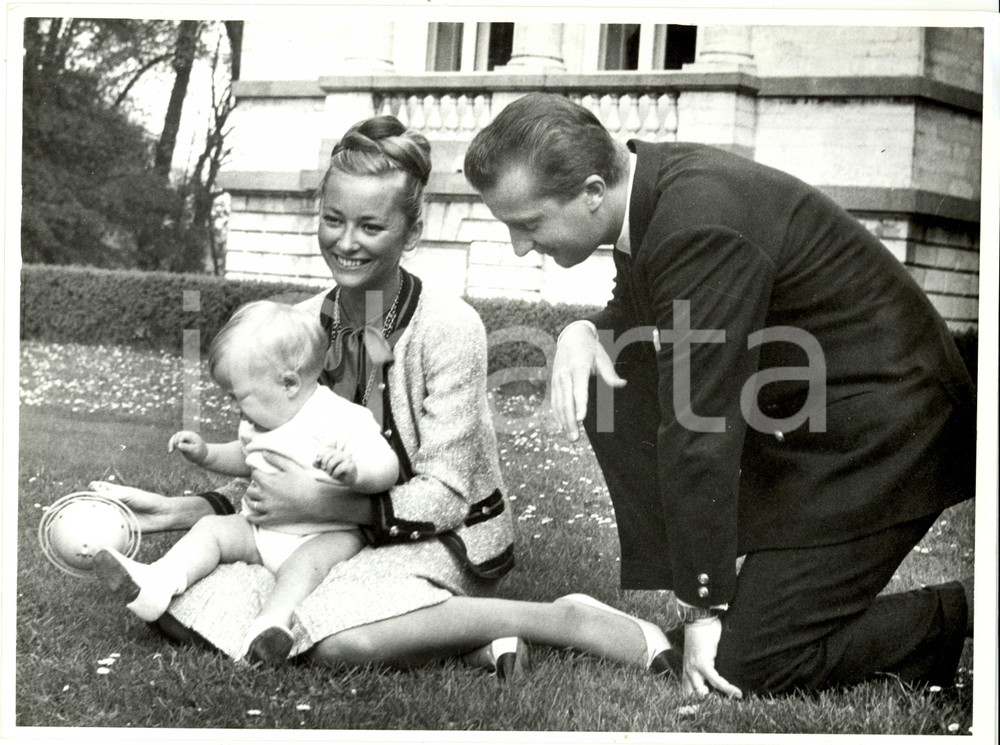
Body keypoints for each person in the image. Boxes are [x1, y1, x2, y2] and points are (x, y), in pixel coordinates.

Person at [87, 114, 680, 680]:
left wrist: (327, 509)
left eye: (371, 227)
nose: (346, 243)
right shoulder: (296, 327)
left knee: (339, 638)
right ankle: (467, 639)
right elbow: (275, 464)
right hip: (323, 540)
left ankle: (561, 619)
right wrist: (180, 511)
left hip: (444, 537)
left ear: (412, 231)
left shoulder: (450, 327)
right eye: (332, 220)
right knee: (190, 599)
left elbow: (446, 496)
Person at [463, 92, 976, 697]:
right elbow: (644, 308)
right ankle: (744, 585)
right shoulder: (654, 190)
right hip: (814, 417)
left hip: (884, 434)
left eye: (528, 224)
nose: (521, 246)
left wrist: (700, 607)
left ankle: (963, 613)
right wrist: (585, 330)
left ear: (593, 191)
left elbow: (699, 422)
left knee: (740, 667)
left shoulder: (696, 222)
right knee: (614, 366)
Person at [94, 300, 399, 664]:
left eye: (239, 399)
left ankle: (269, 628)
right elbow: (247, 455)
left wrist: (355, 471)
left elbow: (387, 467)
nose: (236, 410)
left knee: (305, 567)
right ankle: (158, 582)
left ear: (289, 383)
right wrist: (207, 454)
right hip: (260, 530)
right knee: (212, 529)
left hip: (324, 533)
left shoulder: (341, 418)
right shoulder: (259, 420)